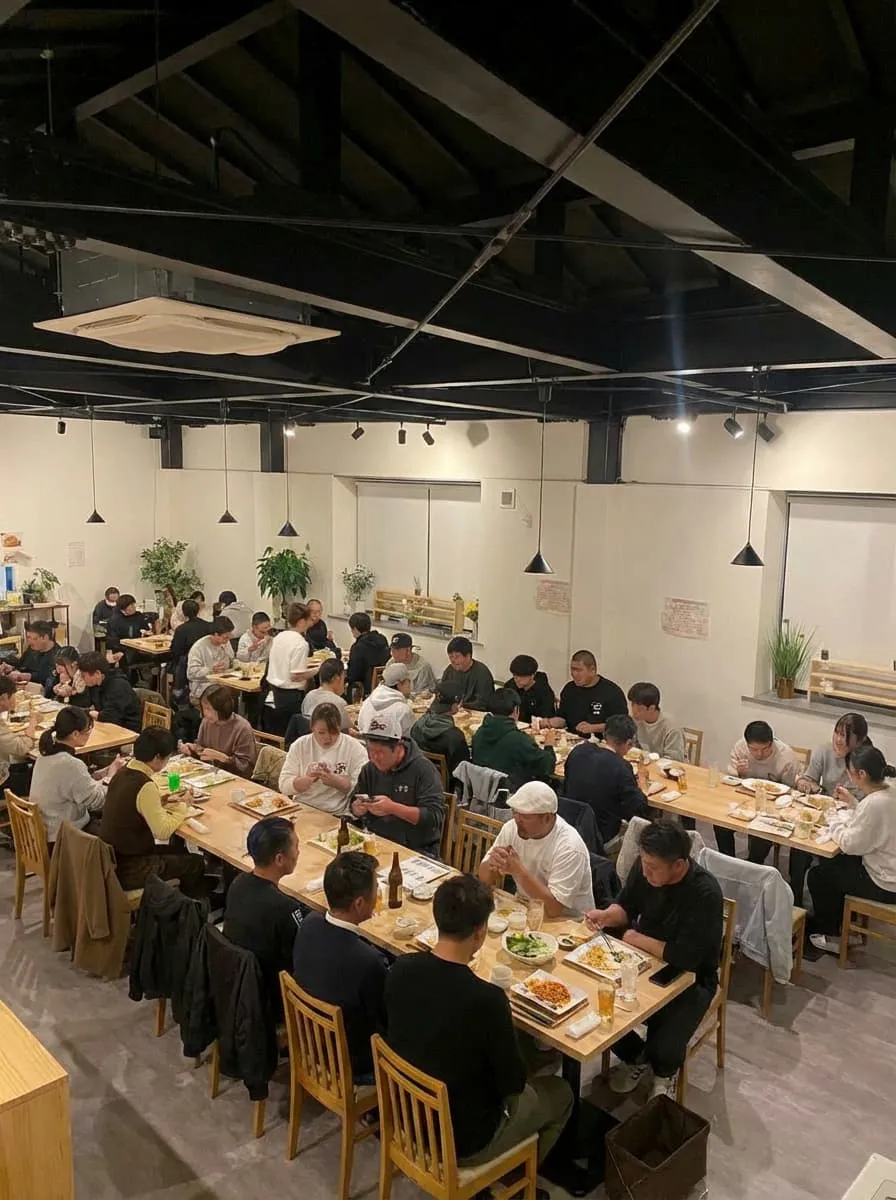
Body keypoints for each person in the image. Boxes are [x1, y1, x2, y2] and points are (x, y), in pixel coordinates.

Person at [386, 874, 572, 1175]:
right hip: (464, 1140)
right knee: (561, 1093)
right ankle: (514, 1181)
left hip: (407, 1114)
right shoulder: (487, 1000)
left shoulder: (400, 969)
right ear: (481, 931)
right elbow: (513, 1084)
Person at [585, 818, 723, 1099]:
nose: (645, 870)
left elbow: (685, 956)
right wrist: (607, 916)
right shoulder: (644, 867)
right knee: (597, 1001)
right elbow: (626, 906)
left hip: (692, 975)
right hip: (641, 959)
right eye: (644, 863)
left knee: (666, 1038)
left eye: (653, 867)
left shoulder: (704, 892)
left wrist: (635, 938)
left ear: (679, 865)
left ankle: (664, 1073)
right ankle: (637, 1057)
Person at [292, 850, 388, 1082]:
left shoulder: (309, 924)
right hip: (351, 1060)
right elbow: (384, 1020)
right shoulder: (367, 961)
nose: (377, 894)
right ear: (359, 903)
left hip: (311, 1039)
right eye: (376, 888)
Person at [99, 727, 210, 897]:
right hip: (130, 867)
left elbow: (135, 805)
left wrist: (163, 800)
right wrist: (184, 805)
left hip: (112, 858)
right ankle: (188, 908)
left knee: (179, 852)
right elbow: (162, 831)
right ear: (158, 757)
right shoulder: (145, 785)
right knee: (195, 862)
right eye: (167, 758)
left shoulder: (123, 772)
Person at [808, 745, 896, 954]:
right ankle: (840, 920)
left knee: (818, 876)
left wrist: (832, 820)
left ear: (861, 774)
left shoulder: (874, 803)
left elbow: (849, 843)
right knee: (832, 862)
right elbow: (873, 825)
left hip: (885, 883)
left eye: (850, 771)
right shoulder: (890, 789)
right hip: (888, 869)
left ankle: (831, 935)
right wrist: (853, 802)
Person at [223, 815, 303, 1014]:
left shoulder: (238, 883)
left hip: (234, 983)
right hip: (270, 999)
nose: (298, 852)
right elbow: (302, 958)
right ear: (279, 859)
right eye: (296, 847)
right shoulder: (285, 908)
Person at [479, 780, 594, 916]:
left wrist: (518, 871)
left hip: (569, 921)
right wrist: (492, 864)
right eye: (515, 812)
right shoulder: (511, 828)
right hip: (525, 909)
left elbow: (553, 909)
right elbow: (484, 878)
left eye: (525, 816)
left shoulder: (570, 847)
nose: (517, 820)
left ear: (547, 818)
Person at [350, 712, 445, 855]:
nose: (374, 757)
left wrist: (393, 808)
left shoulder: (424, 770)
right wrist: (357, 808)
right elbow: (354, 802)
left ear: (398, 747)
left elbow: (434, 817)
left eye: (380, 752)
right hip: (375, 841)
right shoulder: (369, 769)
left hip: (416, 848)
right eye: (371, 751)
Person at [30, 707, 117, 842]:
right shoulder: (71, 764)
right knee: (117, 832)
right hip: (63, 837)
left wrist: (101, 774)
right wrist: (110, 778)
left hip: (45, 827)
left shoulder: (44, 755)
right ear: (75, 734)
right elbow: (97, 802)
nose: (89, 735)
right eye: (88, 731)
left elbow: (74, 785)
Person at [716, 720, 800, 859]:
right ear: (747, 744)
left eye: (765, 749)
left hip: (771, 807)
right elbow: (730, 780)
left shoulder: (786, 757)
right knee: (721, 823)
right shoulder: (740, 748)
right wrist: (738, 772)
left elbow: (789, 791)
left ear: (772, 743)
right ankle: (727, 861)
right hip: (743, 800)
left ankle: (753, 864)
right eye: (753, 749)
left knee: (762, 834)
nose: (759, 754)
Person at [563, 713, 651, 842]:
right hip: (600, 833)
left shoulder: (579, 750)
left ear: (605, 734)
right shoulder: (621, 766)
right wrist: (642, 782)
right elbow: (638, 808)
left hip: (568, 823)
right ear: (629, 743)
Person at [279, 702, 368, 814]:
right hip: (302, 808)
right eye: (321, 732)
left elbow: (362, 791)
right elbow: (283, 785)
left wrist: (336, 781)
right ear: (312, 728)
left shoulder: (354, 748)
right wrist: (307, 779)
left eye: (334, 732)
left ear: (339, 727)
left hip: (336, 813)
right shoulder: (300, 745)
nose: (327, 738)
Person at [471, 687, 556, 790]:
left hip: (482, 790)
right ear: (516, 710)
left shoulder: (480, 733)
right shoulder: (518, 740)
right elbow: (547, 766)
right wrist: (549, 745)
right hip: (513, 793)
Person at [181, 685, 257, 778]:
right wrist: (192, 750)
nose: (204, 713)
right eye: (203, 708)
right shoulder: (206, 722)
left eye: (208, 708)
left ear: (222, 708)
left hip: (234, 779)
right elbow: (202, 753)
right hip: (210, 775)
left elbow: (247, 769)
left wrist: (224, 759)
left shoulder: (242, 728)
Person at [796, 712, 872, 803]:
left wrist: (851, 801)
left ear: (860, 740)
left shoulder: (868, 761)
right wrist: (804, 783)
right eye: (836, 733)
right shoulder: (825, 751)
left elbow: (871, 805)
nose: (838, 740)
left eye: (843, 735)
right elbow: (808, 778)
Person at [549, 650, 627, 738]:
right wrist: (548, 722)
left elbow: (622, 726)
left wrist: (594, 728)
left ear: (592, 670)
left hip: (601, 741)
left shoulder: (612, 692)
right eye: (572, 669)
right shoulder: (569, 689)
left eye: (578, 670)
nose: (574, 674)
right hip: (572, 739)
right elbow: (563, 718)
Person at [265, 602, 315, 726]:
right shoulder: (301, 643)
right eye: (308, 620)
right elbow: (296, 676)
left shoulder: (279, 637)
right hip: (291, 695)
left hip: (274, 689)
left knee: (279, 729)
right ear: (301, 621)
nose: (310, 623)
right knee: (291, 730)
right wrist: (317, 670)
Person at [410, 680, 471, 778]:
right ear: (454, 706)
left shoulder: (418, 725)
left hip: (420, 777)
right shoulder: (455, 737)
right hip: (444, 783)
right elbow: (462, 771)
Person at [79, 652, 142, 732]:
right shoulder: (95, 685)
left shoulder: (118, 685)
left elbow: (110, 716)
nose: (82, 678)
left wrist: (91, 713)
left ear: (97, 673)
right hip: (108, 726)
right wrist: (75, 691)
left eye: (83, 676)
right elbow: (85, 703)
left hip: (127, 730)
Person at [627, 682, 686, 762]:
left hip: (666, 766)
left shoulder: (672, 729)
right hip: (644, 764)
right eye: (632, 705)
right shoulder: (636, 720)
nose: (633, 712)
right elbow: (632, 747)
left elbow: (674, 760)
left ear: (651, 708)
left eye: (639, 709)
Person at [0, 675, 37, 794]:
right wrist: (32, 724)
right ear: (3, 698)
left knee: (28, 766)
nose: (15, 699)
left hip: (4, 767)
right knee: (41, 774)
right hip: (2, 780)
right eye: (13, 696)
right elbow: (22, 748)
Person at [358, 662, 414, 737]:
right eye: (408, 681)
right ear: (399, 684)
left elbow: (360, 727)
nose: (410, 686)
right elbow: (412, 736)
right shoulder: (403, 710)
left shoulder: (367, 702)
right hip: (395, 744)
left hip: (367, 743)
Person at [186, 616, 235, 702]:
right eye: (225, 637)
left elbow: (231, 661)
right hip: (203, 687)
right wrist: (210, 670)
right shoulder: (199, 647)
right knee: (223, 696)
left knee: (235, 692)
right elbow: (191, 673)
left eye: (229, 637)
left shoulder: (225, 643)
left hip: (222, 682)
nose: (227, 640)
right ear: (215, 634)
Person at [440, 636, 494, 710]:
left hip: (473, 712)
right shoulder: (449, 670)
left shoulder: (482, 673)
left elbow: (483, 703)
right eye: (451, 657)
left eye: (457, 657)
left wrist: (462, 706)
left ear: (468, 656)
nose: (453, 660)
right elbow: (442, 692)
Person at [345, 612, 389, 698]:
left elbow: (354, 675)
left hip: (364, 690)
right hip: (382, 686)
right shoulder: (382, 640)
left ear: (355, 629)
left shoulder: (358, 647)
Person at [504, 654, 556, 725]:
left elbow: (547, 716)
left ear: (532, 675)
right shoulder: (510, 686)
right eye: (514, 675)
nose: (517, 679)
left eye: (521, 676)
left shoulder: (544, 691)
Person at [301, 658, 351, 731]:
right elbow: (346, 728)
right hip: (329, 736)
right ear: (336, 678)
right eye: (344, 678)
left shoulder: (309, 695)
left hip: (310, 735)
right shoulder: (339, 702)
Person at [10, 621, 60, 688]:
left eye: (34, 639)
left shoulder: (58, 655)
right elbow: (21, 665)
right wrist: (11, 668)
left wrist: (26, 676)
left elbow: (49, 678)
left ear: (45, 638)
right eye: (28, 637)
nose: (30, 642)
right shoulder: (32, 649)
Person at [169, 598, 212, 668]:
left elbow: (175, 650)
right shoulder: (209, 625)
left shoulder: (181, 629)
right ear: (198, 610)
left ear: (183, 612)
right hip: (206, 662)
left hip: (187, 665)